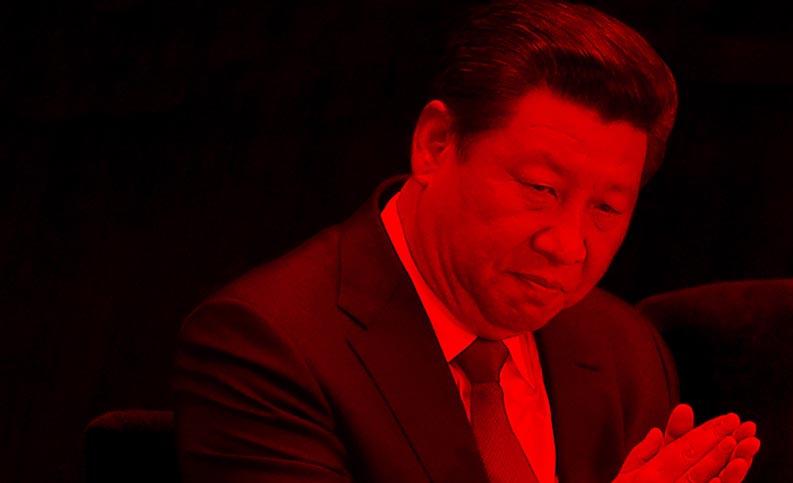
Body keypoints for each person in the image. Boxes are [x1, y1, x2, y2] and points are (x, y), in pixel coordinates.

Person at [173, 1, 761, 482]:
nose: (568, 245)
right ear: (436, 144)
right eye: (541, 188)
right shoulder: (267, 344)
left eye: (606, 208)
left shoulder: (623, 350)